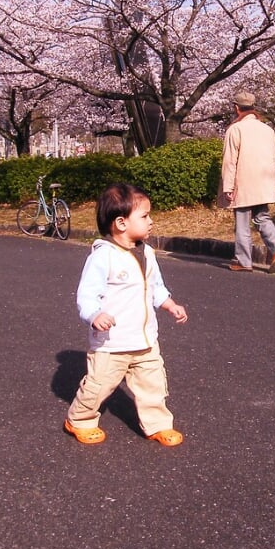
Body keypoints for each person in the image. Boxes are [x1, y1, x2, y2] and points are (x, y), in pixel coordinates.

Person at [64, 182, 188, 446]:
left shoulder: (148, 253)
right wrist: (94, 315)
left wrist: (169, 304)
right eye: (144, 216)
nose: (151, 221)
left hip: (145, 340)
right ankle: (80, 420)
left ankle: (158, 424)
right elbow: (86, 295)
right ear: (121, 223)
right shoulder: (103, 257)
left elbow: (154, 286)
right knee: (98, 387)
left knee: (153, 385)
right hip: (112, 343)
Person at [219, 90, 275, 273]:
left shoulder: (235, 129)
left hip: (243, 183)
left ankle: (243, 260)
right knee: (262, 217)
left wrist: (228, 186)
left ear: (236, 108)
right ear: (253, 107)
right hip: (263, 182)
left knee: (242, 221)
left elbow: (230, 160)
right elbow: (273, 159)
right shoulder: (268, 130)